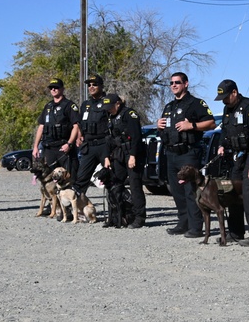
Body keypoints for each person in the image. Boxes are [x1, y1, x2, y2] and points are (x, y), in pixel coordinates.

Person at [157, 72, 216, 237]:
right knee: (176, 191)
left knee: (190, 191)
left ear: (186, 84)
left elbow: (211, 123)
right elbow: (164, 129)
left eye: (177, 82)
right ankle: (183, 223)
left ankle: (196, 227)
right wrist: (158, 125)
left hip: (188, 152)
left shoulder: (195, 103)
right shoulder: (169, 106)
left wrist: (192, 125)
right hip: (171, 153)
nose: (173, 85)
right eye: (171, 83)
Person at [215, 79, 249, 246]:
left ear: (234, 93)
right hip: (237, 157)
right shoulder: (227, 109)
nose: (224, 101)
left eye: (226, 97)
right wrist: (222, 145)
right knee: (232, 192)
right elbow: (225, 131)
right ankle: (235, 232)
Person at [104, 94, 147, 228]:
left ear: (117, 104)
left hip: (132, 153)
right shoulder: (111, 117)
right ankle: (116, 217)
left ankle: (139, 217)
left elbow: (136, 136)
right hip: (119, 154)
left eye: (110, 107)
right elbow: (109, 139)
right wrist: (107, 157)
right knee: (115, 184)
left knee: (134, 185)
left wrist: (133, 155)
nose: (108, 110)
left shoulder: (129, 114)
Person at [73, 74, 116, 197]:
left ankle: (117, 212)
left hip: (104, 145)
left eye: (94, 84)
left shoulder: (107, 102)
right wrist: (79, 136)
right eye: (89, 85)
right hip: (89, 146)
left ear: (101, 86)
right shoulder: (85, 104)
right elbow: (80, 123)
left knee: (112, 178)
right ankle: (79, 210)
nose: (91, 87)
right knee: (81, 179)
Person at [32, 78, 80, 181]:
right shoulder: (48, 106)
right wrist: (35, 146)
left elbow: (76, 126)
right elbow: (41, 126)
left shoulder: (69, 105)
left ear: (62, 89)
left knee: (68, 178)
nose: (53, 89)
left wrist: (69, 143)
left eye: (56, 87)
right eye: (51, 88)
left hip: (63, 147)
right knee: (49, 179)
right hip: (49, 148)